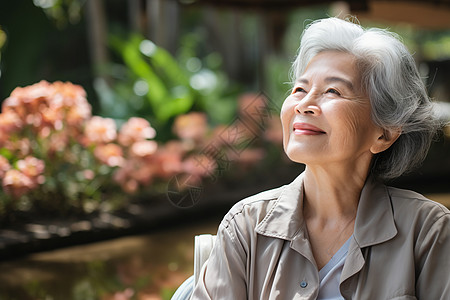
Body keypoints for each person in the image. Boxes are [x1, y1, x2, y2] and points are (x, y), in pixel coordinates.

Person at [190, 17, 450, 299]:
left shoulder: (428, 232)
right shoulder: (245, 227)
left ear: (384, 134)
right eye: (300, 89)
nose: (304, 104)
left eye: (332, 91)